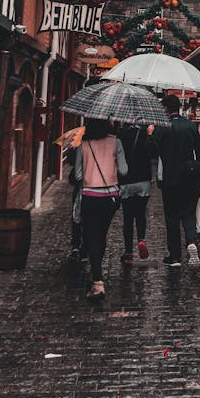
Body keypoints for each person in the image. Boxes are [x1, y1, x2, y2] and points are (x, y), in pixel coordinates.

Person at [149, 95, 200, 268]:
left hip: (170, 179)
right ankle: (192, 241)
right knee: (188, 212)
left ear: (165, 108)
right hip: (189, 177)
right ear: (179, 107)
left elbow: (151, 151)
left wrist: (150, 135)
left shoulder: (162, 127)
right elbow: (199, 151)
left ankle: (174, 257)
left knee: (172, 216)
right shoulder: (190, 126)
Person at [78, 119, 126, 301]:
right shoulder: (116, 142)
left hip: (90, 196)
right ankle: (96, 274)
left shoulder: (84, 143)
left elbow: (77, 174)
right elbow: (123, 170)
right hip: (110, 196)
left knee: (92, 237)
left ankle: (97, 281)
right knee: (101, 234)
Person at [118, 125, 152, 265]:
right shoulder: (145, 133)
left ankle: (128, 252)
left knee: (127, 216)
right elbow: (153, 152)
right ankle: (141, 240)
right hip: (143, 180)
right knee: (141, 213)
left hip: (126, 181)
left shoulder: (121, 134)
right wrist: (149, 135)